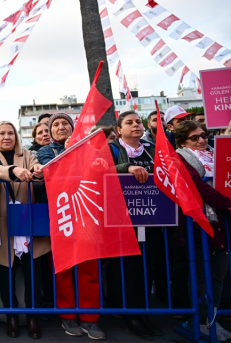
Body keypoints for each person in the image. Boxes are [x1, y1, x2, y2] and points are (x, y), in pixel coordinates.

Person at [37, 113, 105, 340]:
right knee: (63, 268)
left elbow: (98, 169)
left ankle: (90, 318)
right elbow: (52, 171)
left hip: (86, 212)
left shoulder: (88, 148)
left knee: (89, 268)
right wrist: (70, 151)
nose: (60, 127)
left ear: (73, 127)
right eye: (55, 124)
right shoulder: (45, 151)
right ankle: (67, 315)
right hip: (61, 214)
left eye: (65, 123)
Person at [106, 112, 163, 339]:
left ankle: (142, 311)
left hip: (151, 216)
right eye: (129, 122)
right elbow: (101, 171)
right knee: (127, 268)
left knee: (147, 266)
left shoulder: (152, 148)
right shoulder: (111, 149)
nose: (136, 125)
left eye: (138, 121)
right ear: (119, 129)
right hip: (120, 220)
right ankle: (129, 314)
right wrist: (126, 168)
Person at [0, 121, 46, 339]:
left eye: (11, 133)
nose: (7, 137)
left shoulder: (29, 155)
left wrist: (38, 171)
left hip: (28, 220)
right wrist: (14, 171)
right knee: (6, 271)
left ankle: (33, 316)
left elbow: (38, 167)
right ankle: (11, 315)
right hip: (3, 224)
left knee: (33, 271)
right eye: (1, 133)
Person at [175, 121, 231, 340]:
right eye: (194, 137)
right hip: (200, 223)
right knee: (201, 275)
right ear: (182, 141)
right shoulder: (180, 158)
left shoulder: (217, 154)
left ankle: (212, 320)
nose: (201, 140)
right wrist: (228, 203)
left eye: (204, 135)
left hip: (222, 224)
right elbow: (198, 187)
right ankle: (201, 322)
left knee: (218, 274)